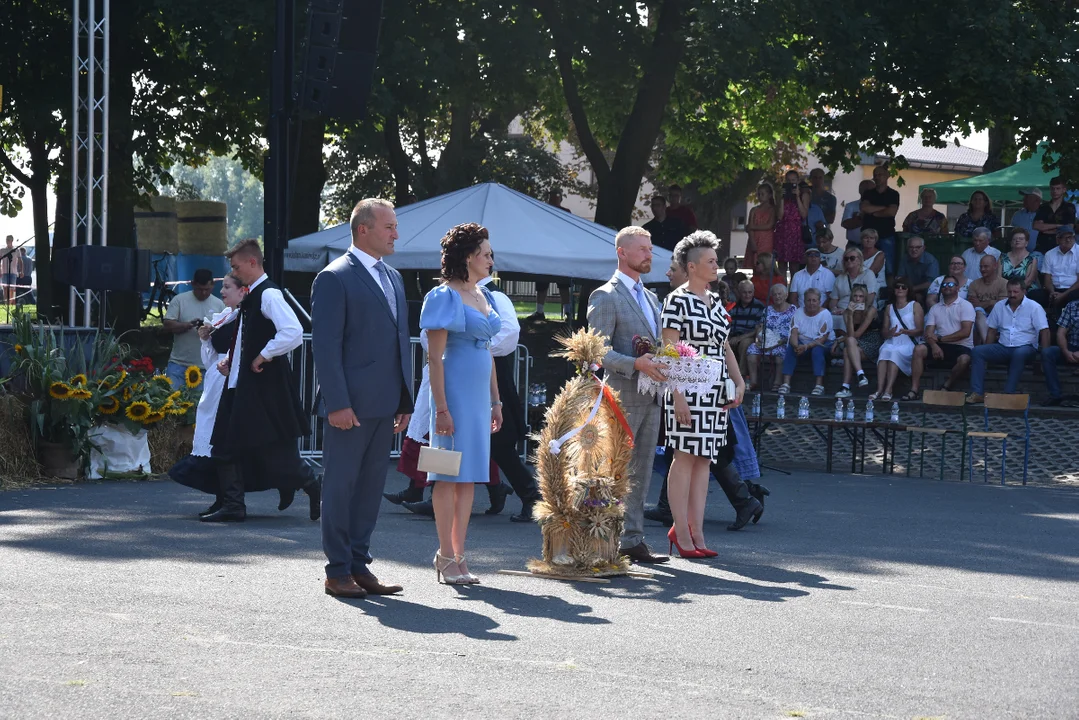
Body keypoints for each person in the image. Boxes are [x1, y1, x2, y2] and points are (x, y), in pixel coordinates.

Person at [311, 198, 412, 599]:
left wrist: (404, 399)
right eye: (388, 227)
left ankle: (358, 564)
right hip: (349, 405)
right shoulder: (334, 277)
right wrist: (337, 402)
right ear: (363, 229)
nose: (395, 234)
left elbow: (399, 343)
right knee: (340, 486)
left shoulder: (394, 277)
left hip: (385, 402)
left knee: (370, 487)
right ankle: (337, 571)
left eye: (395, 226)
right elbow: (325, 346)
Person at [169, 274, 314, 517]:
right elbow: (216, 357)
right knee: (224, 449)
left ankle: (301, 482)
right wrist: (208, 341)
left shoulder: (253, 313)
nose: (222, 292)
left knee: (263, 449)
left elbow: (286, 335)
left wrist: (247, 359)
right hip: (220, 387)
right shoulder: (227, 316)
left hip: (245, 388)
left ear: (242, 291)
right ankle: (228, 501)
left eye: (227, 287)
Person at [202, 240, 320, 526]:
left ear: (252, 263)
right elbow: (246, 337)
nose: (233, 271)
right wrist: (235, 360)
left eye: (236, 266)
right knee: (225, 445)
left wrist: (263, 355)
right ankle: (233, 505)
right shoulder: (254, 295)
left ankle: (313, 483)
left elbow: (292, 332)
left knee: (274, 451)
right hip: (242, 384)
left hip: (263, 388)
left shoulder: (269, 295)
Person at [421, 223, 503, 585]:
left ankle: (459, 555)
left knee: (469, 478)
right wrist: (441, 409)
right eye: (485, 253)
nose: (490, 259)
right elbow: (434, 359)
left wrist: (496, 401)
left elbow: (489, 352)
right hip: (451, 392)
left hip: (478, 397)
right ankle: (443, 554)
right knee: (446, 473)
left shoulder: (484, 296)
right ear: (468, 256)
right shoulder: (444, 296)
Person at [587, 226, 671, 564]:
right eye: (643, 249)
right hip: (620, 397)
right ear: (622, 252)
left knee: (642, 470)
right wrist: (635, 363)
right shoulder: (605, 295)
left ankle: (631, 539)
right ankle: (601, 540)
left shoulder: (652, 298)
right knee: (611, 470)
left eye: (650, 249)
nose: (649, 255)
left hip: (651, 397)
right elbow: (596, 351)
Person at [661, 231, 744, 559]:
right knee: (684, 458)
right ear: (692, 266)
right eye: (711, 261)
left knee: (704, 461)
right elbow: (668, 350)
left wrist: (739, 382)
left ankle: (696, 531)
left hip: (714, 393)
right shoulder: (676, 300)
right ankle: (681, 531)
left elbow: (724, 346)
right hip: (687, 388)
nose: (717, 266)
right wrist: (677, 396)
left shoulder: (716, 302)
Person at [966, 278, 1050, 404]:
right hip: (1003, 347)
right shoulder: (1000, 306)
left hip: (1026, 348)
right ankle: (977, 393)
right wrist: (988, 349)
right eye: (1009, 292)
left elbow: (1045, 331)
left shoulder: (1034, 307)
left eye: (1015, 292)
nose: (1012, 295)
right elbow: (992, 330)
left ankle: (1008, 394)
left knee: (1019, 353)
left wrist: (1044, 355)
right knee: (978, 351)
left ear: (1024, 291)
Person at [909, 276, 975, 397]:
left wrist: (940, 339)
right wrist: (934, 345)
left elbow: (965, 332)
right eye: (944, 285)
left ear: (957, 288)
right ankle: (914, 389)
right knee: (918, 349)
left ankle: (947, 385)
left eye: (950, 285)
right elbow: (928, 332)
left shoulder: (966, 306)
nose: (946, 287)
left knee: (965, 359)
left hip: (961, 346)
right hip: (939, 345)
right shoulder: (935, 308)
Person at [162, 268, 225, 389]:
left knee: (200, 406)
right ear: (193, 284)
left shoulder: (219, 305)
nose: (203, 293)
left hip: (205, 366)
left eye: (207, 289)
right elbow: (167, 325)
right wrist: (186, 325)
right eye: (199, 289)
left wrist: (211, 330)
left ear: (213, 285)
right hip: (179, 364)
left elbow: (226, 332)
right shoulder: (179, 300)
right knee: (173, 404)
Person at [870, 278, 924, 402]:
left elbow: (920, 330)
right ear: (894, 290)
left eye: (903, 287)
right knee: (884, 351)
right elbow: (884, 331)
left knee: (894, 353)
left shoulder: (914, 305)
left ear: (908, 290)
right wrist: (889, 333)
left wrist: (906, 332)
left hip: (909, 342)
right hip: (892, 340)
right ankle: (879, 389)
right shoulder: (889, 307)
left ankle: (888, 389)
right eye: (897, 287)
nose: (900, 289)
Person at [525, 190, 573, 321]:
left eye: (556, 196)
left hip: (558, 253)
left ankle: (567, 312)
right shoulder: (543, 210)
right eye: (553, 196)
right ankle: (540, 311)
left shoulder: (563, 212)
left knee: (563, 284)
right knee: (542, 283)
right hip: (547, 252)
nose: (555, 199)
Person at [778, 288, 833, 396]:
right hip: (803, 344)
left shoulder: (825, 314)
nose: (811, 303)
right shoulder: (798, 312)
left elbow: (823, 338)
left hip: (822, 344)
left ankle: (819, 385)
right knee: (790, 347)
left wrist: (806, 347)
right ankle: (786, 383)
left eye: (814, 300)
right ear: (804, 301)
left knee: (817, 350)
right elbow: (794, 333)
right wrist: (796, 346)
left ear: (819, 301)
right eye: (808, 300)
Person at [746, 283, 796, 391]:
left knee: (781, 353)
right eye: (774, 294)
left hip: (783, 341)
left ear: (786, 295)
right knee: (751, 349)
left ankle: (777, 383)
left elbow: (795, 330)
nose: (777, 297)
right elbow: (761, 326)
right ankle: (753, 381)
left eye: (780, 294)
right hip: (767, 340)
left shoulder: (793, 310)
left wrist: (779, 342)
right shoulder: (767, 310)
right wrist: (759, 337)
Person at [834, 284, 880, 398]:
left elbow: (857, 334)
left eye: (861, 296)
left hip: (872, 340)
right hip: (855, 343)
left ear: (865, 298)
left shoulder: (871, 310)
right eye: (855, 296)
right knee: (847, 349)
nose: (858, 299)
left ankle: (846, 386)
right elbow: (851, 336)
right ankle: (859, 376)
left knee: (848, 347)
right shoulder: (847, 312)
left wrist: (840, 339)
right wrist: (850, 315)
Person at [860, 165, 901, 273]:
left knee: (889, 267)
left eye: (880, 175)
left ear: (887, 176)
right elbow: (865, 208)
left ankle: (888, 289)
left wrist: (873, 211)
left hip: (886, 234)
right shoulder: (868, 193)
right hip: (868, 234)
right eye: (875, 175)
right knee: (862, 264)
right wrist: (884, 208)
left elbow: (892, 212)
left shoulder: (893, 194)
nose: (877, 177)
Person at [1041, 297, 1079, 406]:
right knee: (1048, 353)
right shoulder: (1072, 306)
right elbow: (1060, 333)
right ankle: (1055, 395)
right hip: (1072, 347)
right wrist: (1066, 351)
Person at [829, 246, 878, 331]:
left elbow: (870, 299)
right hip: (841, 312)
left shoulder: (868, 274)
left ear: (859, 260)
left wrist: (849, 310)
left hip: (861, 311)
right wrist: (834, 309)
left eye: (852, 258)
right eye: (846, 259)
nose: (848, 261)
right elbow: (833, 300)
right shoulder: (840, 278)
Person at [967, 255, 1008, 344]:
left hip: (999, 317)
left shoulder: (1004, 283)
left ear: (995, 266)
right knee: (978, 312)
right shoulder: (974, 284)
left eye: (986, 266)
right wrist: (991, 302)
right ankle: (986, 344)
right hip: (978, 317)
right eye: (981, 266)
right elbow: (973, 306)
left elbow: (1001, 306)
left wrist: (983, 303)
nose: (982, 269)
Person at [728, 279, 765, 375]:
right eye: (744, 292)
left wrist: (740, 338)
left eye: (750, 292)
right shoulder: (733, 306)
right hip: (733, 336)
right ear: (739, 292)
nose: (747, 295)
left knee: (745, 344)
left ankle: (740, 376)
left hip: (749, 337)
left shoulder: (759, 307)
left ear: (753, 292)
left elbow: (758, 329)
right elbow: (727, 324)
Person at [1040, 225, 1079, 312]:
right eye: (1064, 237)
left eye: (1070, 237)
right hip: (1054, 289)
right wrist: (1052, 292)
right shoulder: (1049, 254)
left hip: (1073, 290)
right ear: (1057, 240)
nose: (1068, 240)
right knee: (1034, 295)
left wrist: (1063, 295)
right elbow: (1047, 280)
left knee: (1073, 296)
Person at [774, 171, 806, 278]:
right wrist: (782, 198)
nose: (791, 183)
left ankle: (793, 292)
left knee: (794, 267)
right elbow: (779, 216)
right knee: (781, 265)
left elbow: (804, 215)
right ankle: (782, 291)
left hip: (796, 233)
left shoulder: (803, 195)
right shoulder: (780, 196)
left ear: (797, 181)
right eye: (788, 181)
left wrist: (797, 197)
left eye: (793, 180)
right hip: (783, 232)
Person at [1033, 176, 1077, 254]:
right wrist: (1059, 226)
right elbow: (1037, 226)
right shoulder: (1043, 207)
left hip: (1062, 249)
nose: (1055, 191)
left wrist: (1046, 229)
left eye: (1058, 188)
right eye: (1052, 188)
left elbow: (1069, 228)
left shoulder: (1069, 207)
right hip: (1042, 247)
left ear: (1064, 190)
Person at [895, 236, 939, 306]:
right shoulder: (904, 259)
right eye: (911, 247)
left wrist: (912, 289)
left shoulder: (931, 261)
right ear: (907, 248)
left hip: (927, 292)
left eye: (918, 247)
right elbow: (900, 278)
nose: (914, 250)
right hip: (908, 290)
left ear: (923, 248)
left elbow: (931, 283)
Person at [744, 182, 777, 269]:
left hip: (767, 240)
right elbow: (750, 229)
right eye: (758, 194)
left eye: (762, 194)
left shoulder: (772, 209)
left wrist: (752, 227)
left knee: (766, 262)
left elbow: (769, 225)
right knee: (756, 262)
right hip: (755, 238)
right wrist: (752, 241)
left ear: (769, 195)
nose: (760, 196)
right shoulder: (754, 210)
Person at [1001, 227, 1040, 293]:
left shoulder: (1032, 258)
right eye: (1014, 239)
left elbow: (1029, 280)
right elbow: (999, 278)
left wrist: (1015, 291)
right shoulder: (1002, 257)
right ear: (1011, 242)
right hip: (1005, 289)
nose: (1017, 240)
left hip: (1026, 289)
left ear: (1026, 243)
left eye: (1021, 239)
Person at [841, 179, 875, 248]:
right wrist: (865, 218)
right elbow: (846, 224)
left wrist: (857, 218)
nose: (868, 192)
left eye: (871, 190)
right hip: (854, 245)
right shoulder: (851, 205)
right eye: (865, 190)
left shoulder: (878, 207)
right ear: (860, 190)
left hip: (873, 247)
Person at [860, 229, 888, 299]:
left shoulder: (880, 254)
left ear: (875, 240)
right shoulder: (858, 254)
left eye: (871, 238)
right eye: (866, 238)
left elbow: (870, 273)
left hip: (876, 286)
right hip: (860, 284)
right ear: (862, 240)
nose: (868, 240)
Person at [0, 235, 20, 305]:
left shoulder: (16, 250)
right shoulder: (2, 250)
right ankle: (6, 303)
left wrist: (21, 271)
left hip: (13, 273)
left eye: (8, 239)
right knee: (5, 288)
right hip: (4, 272)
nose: (7, 241)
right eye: (6, 239)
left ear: (12, 240)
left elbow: (20, 260)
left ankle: (10, 303)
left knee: (12, 289)